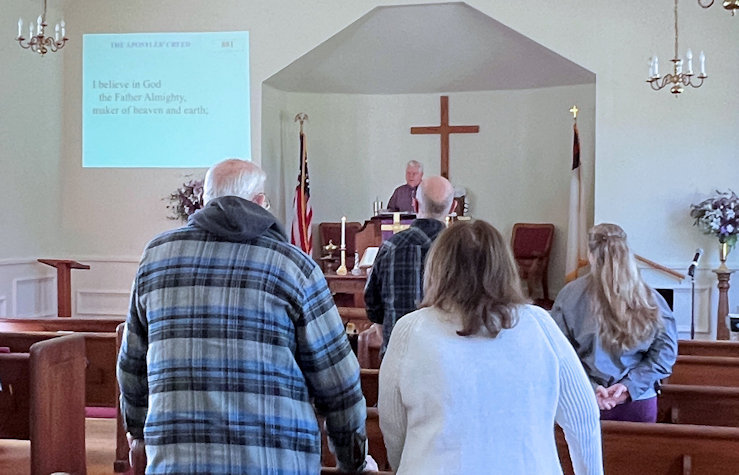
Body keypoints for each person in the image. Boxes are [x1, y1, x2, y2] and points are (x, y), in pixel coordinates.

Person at [117, 159, 369, 474]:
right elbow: (338, 381)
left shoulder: (157, 258)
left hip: (178, 462)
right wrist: (352, 460)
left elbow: (132, 365)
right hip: (275, 464)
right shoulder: (293, 266)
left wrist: (138, 435)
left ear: (205, 201)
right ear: (260, 202)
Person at [378, 220, 602, 475]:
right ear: (505, 267)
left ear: (438, 269)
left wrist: (406, 463)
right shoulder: (540, 324)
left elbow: (393, 423)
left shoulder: (411, 329)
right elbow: (583, 417)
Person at [550, 223, 678, 423]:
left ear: (591, 255)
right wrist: (628, 387)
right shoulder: (651, 298)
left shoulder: (569, 296)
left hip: (584, 400)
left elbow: (558, 353)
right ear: (627, 251)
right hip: (638, 400)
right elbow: (665, 354)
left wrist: (592, 388)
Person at [364, 175, 456, 355]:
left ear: (415, 204)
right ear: (453, 208)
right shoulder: (462, 251)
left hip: (396, 358)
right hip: (445, 360)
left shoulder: (390, 247)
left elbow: (373, 306)